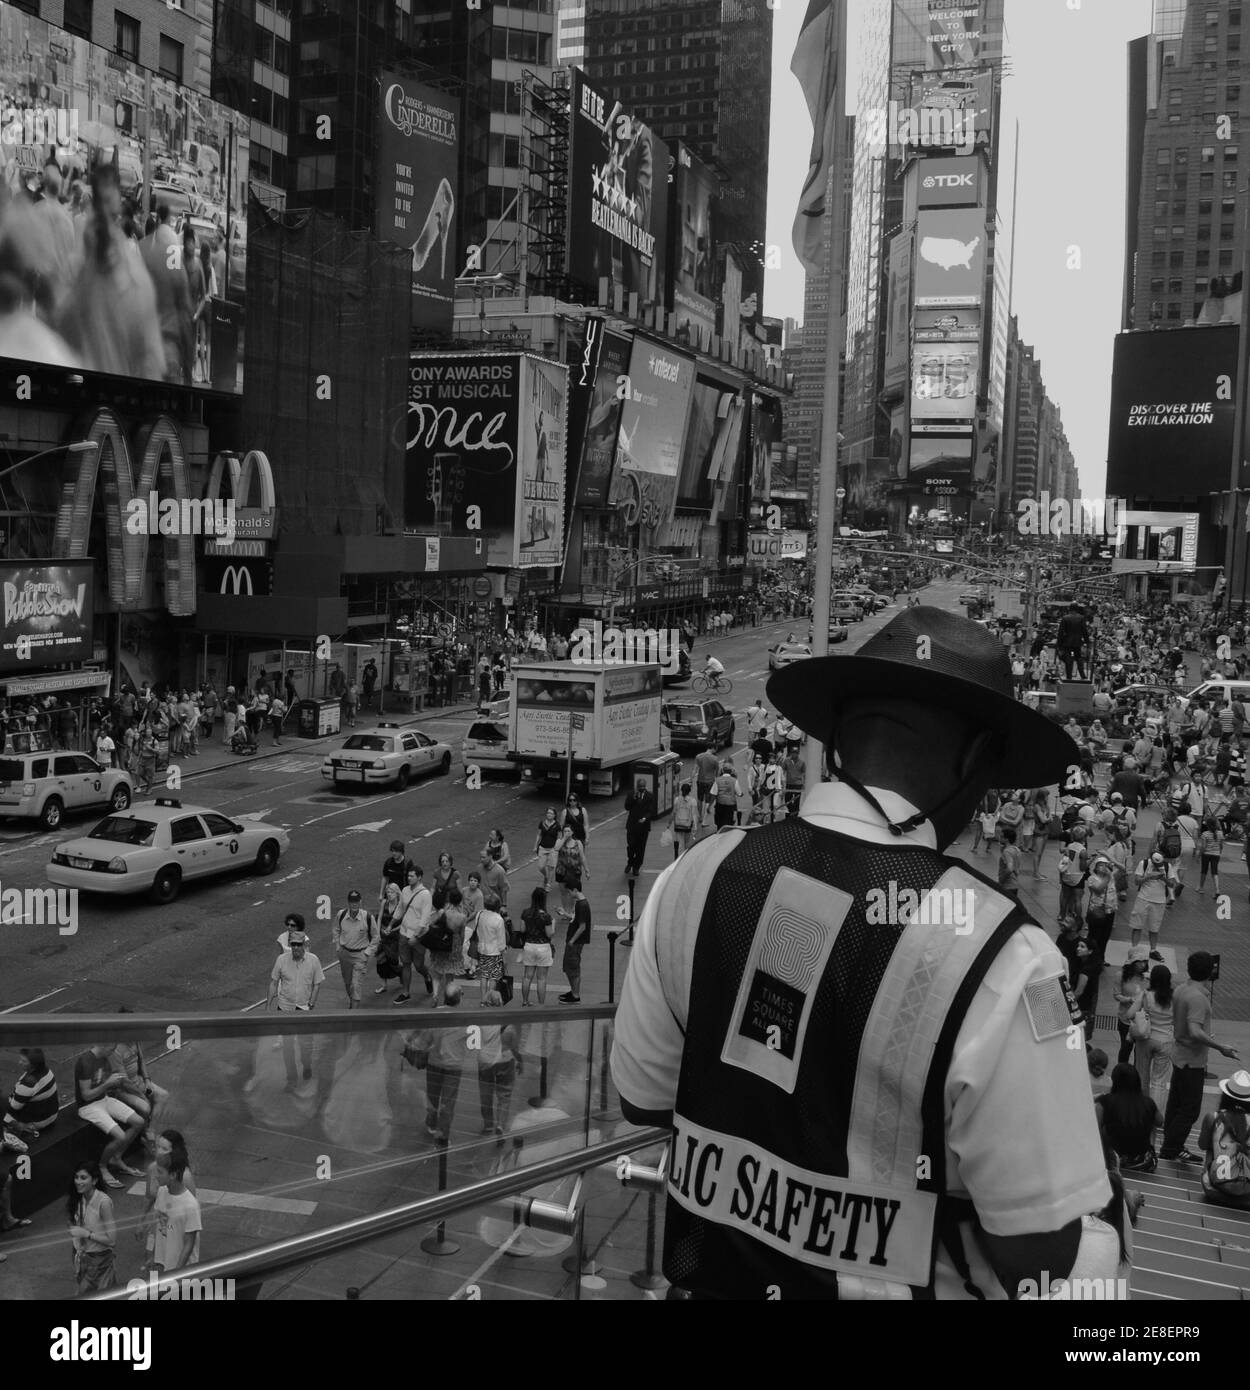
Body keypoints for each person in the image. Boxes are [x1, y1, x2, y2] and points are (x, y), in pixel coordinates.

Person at [612, 606, 1110, 1299]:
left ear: (839, 739)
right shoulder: (1006, 956)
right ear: (973, 762)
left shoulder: (694, 877)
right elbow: (1040, 1252)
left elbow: (642, 1101)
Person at [1161, 951, 1240, 1162]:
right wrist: (1219, 1046)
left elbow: (1187, 1025)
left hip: (1179, 1055)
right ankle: (1171, 1149)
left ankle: (1170, 1144)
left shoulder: (1181, 990)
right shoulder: (1198, 998)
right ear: (1211, 971)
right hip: (1192, 1060)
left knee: (1175, 1104)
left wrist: (1201, 1035)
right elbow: (1195, 1031)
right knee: (1189, 1109)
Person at [75, 1043, 146, 1187]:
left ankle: (117, 1157)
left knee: (139, 1122)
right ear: (103, 1045)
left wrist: (117, 1081)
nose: (113, 1052)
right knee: (120, 1135)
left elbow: (105, 1082)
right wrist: (108, 1084)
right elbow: (86, 1096)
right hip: (88, 1106)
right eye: (112, 1048)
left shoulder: (105, 1059)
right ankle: (102, 1166)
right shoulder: (85, 1062)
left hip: (104, 1099)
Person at [405, 984, 468, 1144]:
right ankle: (443, 1133)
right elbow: (470, 1042)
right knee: (449, 1100)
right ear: (459, 998)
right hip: (454, 1065)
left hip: (435, 1063)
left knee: (433, 1095)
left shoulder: (435, 1014)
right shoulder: (466, 1017)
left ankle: (431, 1122)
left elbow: (425, 1040)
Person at [266, 930, 323, 1091]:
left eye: (299, 945)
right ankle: (291, 1079)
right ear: (290, 945)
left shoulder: (313, 961)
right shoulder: (281, 960)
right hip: (285, 1008)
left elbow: (317, 983)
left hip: (304, 1009)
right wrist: (268, 1006)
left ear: (304, 945)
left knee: (306, 1045)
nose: (296, 948)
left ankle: (306, 1064)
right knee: (287, 1047)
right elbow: (273, 982)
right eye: (293, 945)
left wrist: (311, 1003)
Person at [139, 1130, 197, 1272]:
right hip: (160, 1227)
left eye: (164, 1149)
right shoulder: (154, 1171)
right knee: (152, 1263)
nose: (159, 1151)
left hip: (175, 1231)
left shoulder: (185, 1178)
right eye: (158, 1146)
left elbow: (190, 1216)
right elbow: (149, 1197)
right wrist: (141, 1222)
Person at [1198, 1070, 1250, 1208]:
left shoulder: (1213, 1117)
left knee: (1212, 1146)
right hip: (1247, 1193)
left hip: (1215, 1190)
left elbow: (1202, 1145)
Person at [1096, 1065, 1158, 1173]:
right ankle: (1149, 1151)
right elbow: (1160, 1121)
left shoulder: (1105, 1101)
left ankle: (1105, 1153)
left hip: (1112, 1160)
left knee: (1102, 1126)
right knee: (1152, 1122)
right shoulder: (1148, 1102)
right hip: (1143, 1162)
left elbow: (1095, 1125)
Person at [67, 1162, 117, 1294]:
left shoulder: (103, 1202)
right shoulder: (79, 1199)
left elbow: (112, 1241)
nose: (78, 1181)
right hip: (83, 1259)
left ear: (94, 1180)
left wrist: (86, 1233)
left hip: (100, 1263)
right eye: (76, 1177)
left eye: (83, 1178)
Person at [476, 993, 522, 1135]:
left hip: (485, 1061)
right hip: (505, 1061)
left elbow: (475, 1042)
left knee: (486, 1094)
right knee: (504, 1096)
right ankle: (501, 1124)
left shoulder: (480, 1021)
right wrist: (520, 1060)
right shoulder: (508, 1024)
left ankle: (488, 1125)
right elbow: (513, 1046)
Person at [1135, 964, 1175, 1116]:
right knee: (1159, 1081)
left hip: (1146, 1039)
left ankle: (1140, 1110)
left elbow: (1131, 1013)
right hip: (1165, 1041)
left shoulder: (1146, 995)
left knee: (1142, 1075)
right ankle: (1155, 1114)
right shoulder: (1174, 998)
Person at [151, 1153, 202, 1275]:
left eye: (160, 1172)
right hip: (162, 1265)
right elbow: (156, 1224)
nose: (155, 1175)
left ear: (173, 1175)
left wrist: (177, 1274)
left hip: (181, 1271)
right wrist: (152, 1255)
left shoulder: (191, 1205)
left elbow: (189, 1244)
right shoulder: (162, 1191)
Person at [332, 890, 378, 1010]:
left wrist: (367, 953)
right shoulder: (341, 915)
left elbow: (376, 937)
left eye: (356, 901)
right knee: (348, 984)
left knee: (356, 985)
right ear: (348, 902)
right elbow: (336, 929)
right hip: (344, 954)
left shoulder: (368, 917)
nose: (354, 904)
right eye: (352, 902)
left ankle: (353, 1013)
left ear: (360, 902)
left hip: (360, 956)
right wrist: (337, 945)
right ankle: (353, 1005)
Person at [395, 866, 433, 1003]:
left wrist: (415, 936)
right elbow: (400, 908)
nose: (409, 878)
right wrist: (390, 924)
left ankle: (427, 975)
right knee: (405, 963)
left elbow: (425, 919)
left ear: (419, 877)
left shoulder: (425, 895)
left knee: (418, 965)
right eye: (408, 876)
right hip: (403, 933)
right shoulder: (405, 890)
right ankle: (406, 993)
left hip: (418, 936)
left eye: (412, 876)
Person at [1128, 851, 1177, 961]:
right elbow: (1136, 881)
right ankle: (1134, 950)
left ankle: (1153, 950)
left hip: (1159, 901)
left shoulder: (1167, 866)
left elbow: (1172, 884)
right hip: (1143, 898)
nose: (1157, 866)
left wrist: (1162, 877)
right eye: (1156, 864)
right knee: (1137, 926)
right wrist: (1149, 877)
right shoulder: (1143, 863)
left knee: (1154, 928)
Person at [424, 886, 466, 1007]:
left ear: (449, 900)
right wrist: (460, 948)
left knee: (437, 973)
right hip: (454, 946)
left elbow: (430, 924)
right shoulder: (462, 917)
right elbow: (462, 935)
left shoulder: (443, 913)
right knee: (449, 976)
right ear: (460, 901)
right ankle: (447, 998)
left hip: (441, 945)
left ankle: (435, 996)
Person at [4, 1047, 59, 1139]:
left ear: (33, 1065)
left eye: (24, 1061)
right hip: (51, 1115)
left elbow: (14, 1107)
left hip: (37, 1122)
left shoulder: (28, 1084)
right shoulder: (47, 1071)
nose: (19, 1063)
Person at [465, 891, 507, 998]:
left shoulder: (480, 914)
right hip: (494, 951)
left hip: (481, 949)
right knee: (493, 976)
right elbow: (501, 940)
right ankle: (489, 998)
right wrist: (503, 952)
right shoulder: (498, 919)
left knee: (484, 975)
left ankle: (483, 999)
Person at [1113, 946, 1150, 1066]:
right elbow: (1116, 995)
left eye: (1145, 961)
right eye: (1140, 962)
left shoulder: (1147, 977)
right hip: (1125, 1019)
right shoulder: (1121, 975)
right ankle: (1121, 1070)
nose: (1143, 964)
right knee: (1126, 1047)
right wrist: (1129, 999)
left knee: (1139, 1050)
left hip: (1142, 1020)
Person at [520, 886, 555, 1005]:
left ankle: (525, 1001)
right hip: (543, 947)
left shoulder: (526, 913)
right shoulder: (546, 916)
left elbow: (522, 929)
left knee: (527, 977)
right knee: (541, 979)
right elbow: (549, 934)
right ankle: (541, 1005)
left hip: (529, 946)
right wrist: (553, 924)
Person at [560, 884, 592, 1004]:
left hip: (575, 942)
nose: (568, 894)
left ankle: (575, 995)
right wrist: (564, 913)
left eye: (569, 891)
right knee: (569, 967)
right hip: (574, 941)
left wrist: (572, 941)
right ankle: (573, 991)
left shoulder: (582, 905)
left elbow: (582, 926)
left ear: (575, 889)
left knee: (573, 968)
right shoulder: (579, 903)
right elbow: (575, 919)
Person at [374, 882, 404, 996]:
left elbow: (404, 922)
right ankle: (384, 985)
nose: (389, 894)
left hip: (395, 936)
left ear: (397, 893)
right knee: (380, 961)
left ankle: (400, 973)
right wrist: (377, 933)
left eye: (391, 892)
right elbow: (379, 918)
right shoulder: (384, 903)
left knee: (393, 960)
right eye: (387, 892)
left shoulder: (401, 905)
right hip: (383, 935)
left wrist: (392, 930)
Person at [624, 777, 656, 877]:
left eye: (643, 787)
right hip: (632, 826)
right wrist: (633, 798)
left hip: (643, 827)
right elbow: (627, 807)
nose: (641, 788)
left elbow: (650, 810)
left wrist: (645, 818)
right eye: (640, 787)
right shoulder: (631, 794)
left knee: (641, 848)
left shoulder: (649, 796)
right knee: (631, 847)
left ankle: (636, 867)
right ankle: (630, 862)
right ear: (637, 787)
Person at [379, 839, 415, 907]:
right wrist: (381, 894)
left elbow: (413, 880)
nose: (394, 853)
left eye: (396, 851)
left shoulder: (408, 863)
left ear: (401, 852)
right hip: (390, 894)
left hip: (403, 894)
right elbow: (385, 877)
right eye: (392, 851)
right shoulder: (388, 862)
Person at [670, 780, 700, 859]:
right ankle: (684, 859)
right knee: (687, 843)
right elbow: (694, 814)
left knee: (680, 844)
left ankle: (679, 860)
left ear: (681, 790)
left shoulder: (677, 800)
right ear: (689, 791)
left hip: (678, 825)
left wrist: (669, 823)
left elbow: (673, 812)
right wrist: (695, 826)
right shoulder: (693, 801)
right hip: (687, 825)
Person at [534, 807, 562, 889]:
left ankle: (548, 884)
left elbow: (559, 837)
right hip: (542, 847)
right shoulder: (542, 823)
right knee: (541, 867)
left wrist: (557, 847)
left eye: (551, 813)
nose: (549, 815)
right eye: (548, 813)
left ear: (554, 815)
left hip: (553, 848)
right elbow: (539, 835)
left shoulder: (557, 825)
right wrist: (535, 846)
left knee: (551, 867)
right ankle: (546, 876)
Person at [1197, 817, 1224, 897]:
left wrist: (1199, 855)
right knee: (1214, 872)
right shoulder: (1220, 833)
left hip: (1206, 854)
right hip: (1216, 854)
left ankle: (1201, 888)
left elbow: (1203, 847)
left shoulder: (1205, 834)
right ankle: (1217, 889)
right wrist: (1219, 852)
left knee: (1204, 871)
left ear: (1208, 825)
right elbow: (1221, 845)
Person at [712, 759, 743, 829]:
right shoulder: (734, 781)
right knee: (730, 823)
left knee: (719, 824)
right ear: (731, 771)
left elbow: (713, 793)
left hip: (720, 805)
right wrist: (741, 794)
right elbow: (739, 793)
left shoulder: (717, 780)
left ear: (722, 770)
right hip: (731, 806)